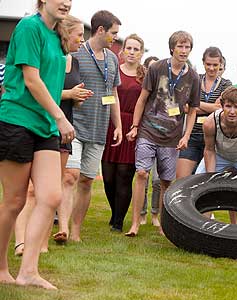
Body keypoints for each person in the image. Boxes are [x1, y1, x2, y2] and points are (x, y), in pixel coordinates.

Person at [0, 0, 73, 289]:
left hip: (45, 126)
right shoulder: (29, 27)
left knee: (51, 196)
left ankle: (28, 271)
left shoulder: (58, 35)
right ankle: (1, 267)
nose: (66, 2)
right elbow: (31, 80)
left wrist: (54, 119)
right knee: (15, 200)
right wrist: (61, 117)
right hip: (17, 121)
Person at [14, 15, 93, 249]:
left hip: (62, 128)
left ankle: (41, 244)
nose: (82, 40)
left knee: (52, 191)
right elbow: (36, 90)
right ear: (65, 33)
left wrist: (77, 99)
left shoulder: (73, 62)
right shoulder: (47, 57)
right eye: (79, 35)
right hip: (37, 124)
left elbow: (64, 94)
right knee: (29, 191)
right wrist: (68, 94)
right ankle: (20, 242)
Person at [125, 31, 200, 236]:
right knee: (141, 173)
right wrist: (134, 126)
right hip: (148, 131)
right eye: (180, 46)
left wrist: (186, 136)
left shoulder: (193, 77)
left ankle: (165, 225)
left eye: (187, 47)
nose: (184, 51)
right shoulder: (157, 68)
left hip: (173, 137)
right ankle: (135, 224)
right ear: (172, 48)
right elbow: (142, 99)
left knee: (167, 182)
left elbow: (192, 110)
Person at [62, 10, 123, 242]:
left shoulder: (112, 58)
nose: (116, 37)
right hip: (74, 125)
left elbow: (113, 93)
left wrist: (117, 125)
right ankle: (63, 228)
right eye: (113, 33)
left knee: (87, 180)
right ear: (100, 30)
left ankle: (76, 230)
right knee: (70, 176)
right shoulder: (76, 54)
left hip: (99, 130)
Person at [101, 34, 145, 232]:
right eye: (129, 48)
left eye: (136, 49)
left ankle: (118, 221)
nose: (132, 52)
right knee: (109, 176)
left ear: (141, 53)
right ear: (123, 50)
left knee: (124, 175)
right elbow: (107, 95)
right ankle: (114, 212)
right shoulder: (113, 71)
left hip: (132, 127)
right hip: (111, 124)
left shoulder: (145, 75)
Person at [176, 47, 232, 179]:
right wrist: (213, 106)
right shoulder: (194, 79)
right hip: (192, 135)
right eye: (208, 64)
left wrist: (194, 104)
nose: (212, 68)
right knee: (181, 179)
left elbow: (224, 109)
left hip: (215, 138)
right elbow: (184, 107)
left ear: (220, 64)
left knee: (208, 181)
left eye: (215, 65)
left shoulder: (226, 84)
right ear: (203, 63)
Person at [140, 55, 161, 226]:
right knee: (143, 177)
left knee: (158, 180)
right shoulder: (143, 88)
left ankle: (155, 214)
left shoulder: (165, 89)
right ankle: (141, 214)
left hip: (163, 138)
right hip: (145, 135)